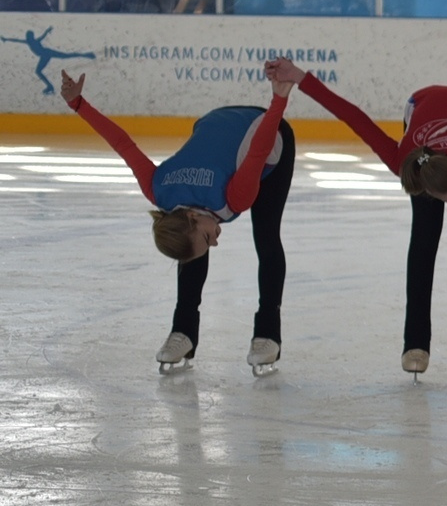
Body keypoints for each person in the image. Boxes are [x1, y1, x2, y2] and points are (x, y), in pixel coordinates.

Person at [294, 20, 447, 379]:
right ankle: (415, 343)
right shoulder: (406, 162)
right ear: (430, 191)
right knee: (424, 240)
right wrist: (299, 77)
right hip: (419, 109)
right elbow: (353, 117)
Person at [64, 55, 302, 372]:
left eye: (208, 237)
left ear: (190, 216)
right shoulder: (163, 193)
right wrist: (77, 103)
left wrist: (279, 99)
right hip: (214, 123)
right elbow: (122, 143)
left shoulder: (231, 196)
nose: (215, 242)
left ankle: (268, 334)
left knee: (267, 235)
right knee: (189, 250)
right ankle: (183, 331)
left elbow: (258, 149)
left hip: (270, 137)